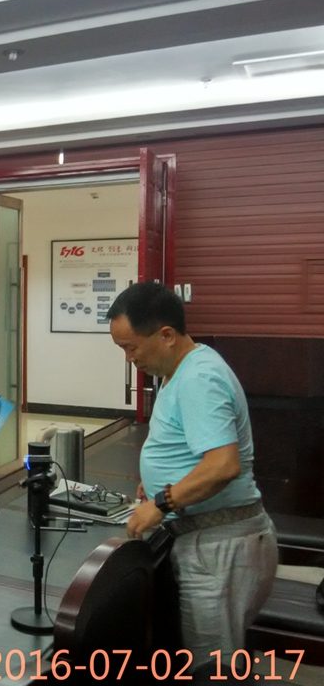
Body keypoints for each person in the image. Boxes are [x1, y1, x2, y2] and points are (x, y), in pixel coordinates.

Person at [108, 281, 277, 665]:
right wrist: (161, 482)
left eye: (131, 347)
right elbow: (192, 450)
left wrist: (162, 503)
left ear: (166, 335)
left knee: (213, 668)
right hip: (213, 540)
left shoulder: (199, 378)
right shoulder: (183, 370)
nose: (129, 358)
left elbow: (223, 465)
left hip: (218, 546)